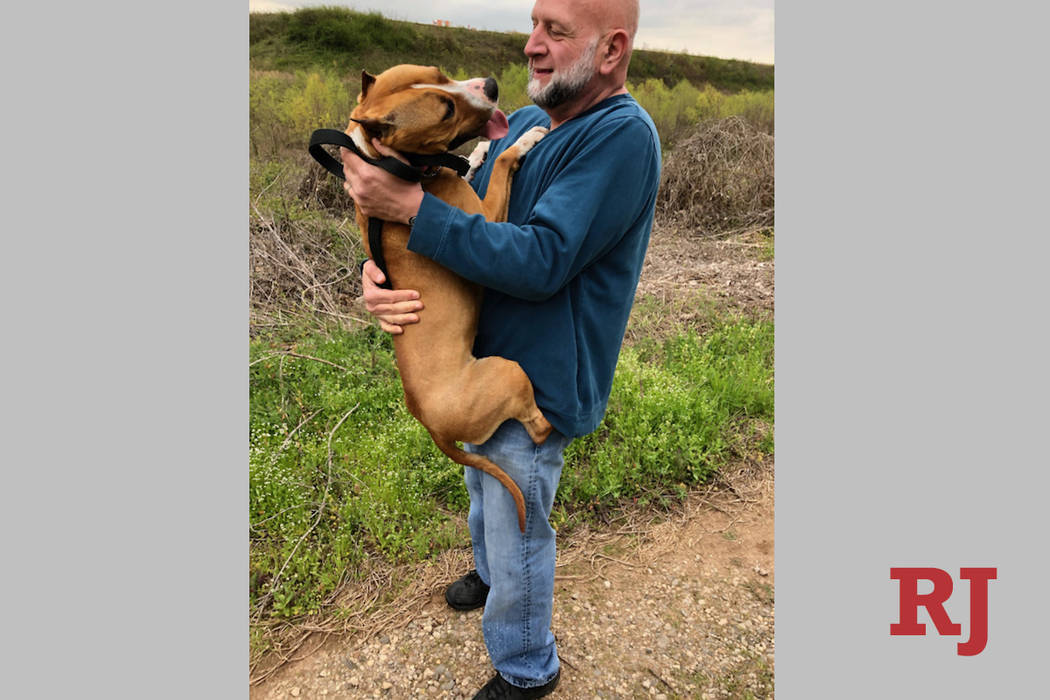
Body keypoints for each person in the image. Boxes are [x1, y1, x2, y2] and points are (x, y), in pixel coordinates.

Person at [341, 1, 659, 697]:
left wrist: (411, 212)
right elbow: (464, 225)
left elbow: (543, 259)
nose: (531, 46)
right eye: (534, 24)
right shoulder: (525, 122)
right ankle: (490, 575)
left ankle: (526, 667)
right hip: (478, 360)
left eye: (556, 32)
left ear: (611, 50)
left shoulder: (620, 139)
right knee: (485, 496)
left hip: (538, 377)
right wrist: (378, 268)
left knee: (518, 525)